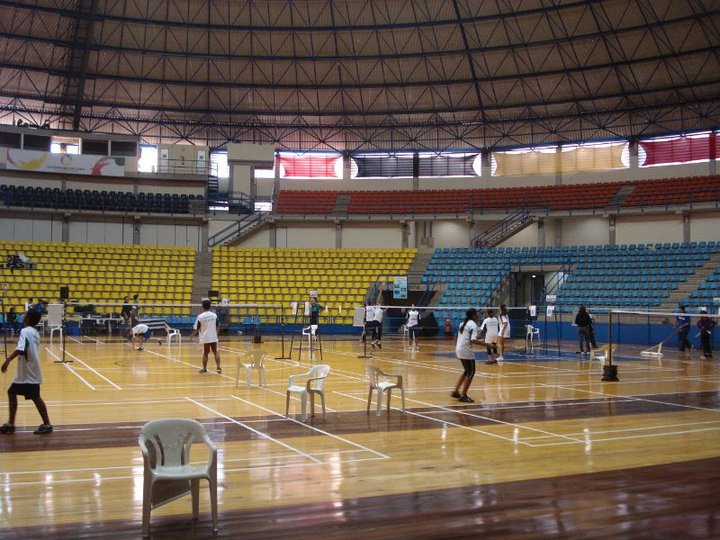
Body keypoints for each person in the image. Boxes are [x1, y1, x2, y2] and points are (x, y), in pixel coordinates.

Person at [0, 309, 53, 435]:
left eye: (26, 315)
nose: (24, 316)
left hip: (29, 372)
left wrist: (8, 360)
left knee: (35, 397)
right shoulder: (35, 332)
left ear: (28, 319)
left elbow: (22, 349)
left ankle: (47, 424)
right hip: (26, 372)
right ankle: (11, 424)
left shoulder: (25, 331)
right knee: (12, 392)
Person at [451, 308, 482, 403]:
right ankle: (463, 395)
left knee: (466, 371)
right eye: (477, 314)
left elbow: (458, 336)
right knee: (471, 372)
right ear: (473, 315)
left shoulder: (462, 324)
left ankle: (456, 391)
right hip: (466, 350)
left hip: (459, 348)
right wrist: (488, 344)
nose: (478, 315)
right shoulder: (473, 324)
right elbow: (473, 340)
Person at [191, 299, 221, 374]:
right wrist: (216, 334)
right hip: (213, 337)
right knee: (216, 352)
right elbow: (218, 326)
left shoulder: (200, 317)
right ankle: (218, 367)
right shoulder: (214, 315)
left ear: (202, 306)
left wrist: (191, 336)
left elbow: (196, 328)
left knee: (205, 354)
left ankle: (204, 369)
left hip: (205, 338)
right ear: (210, 306)